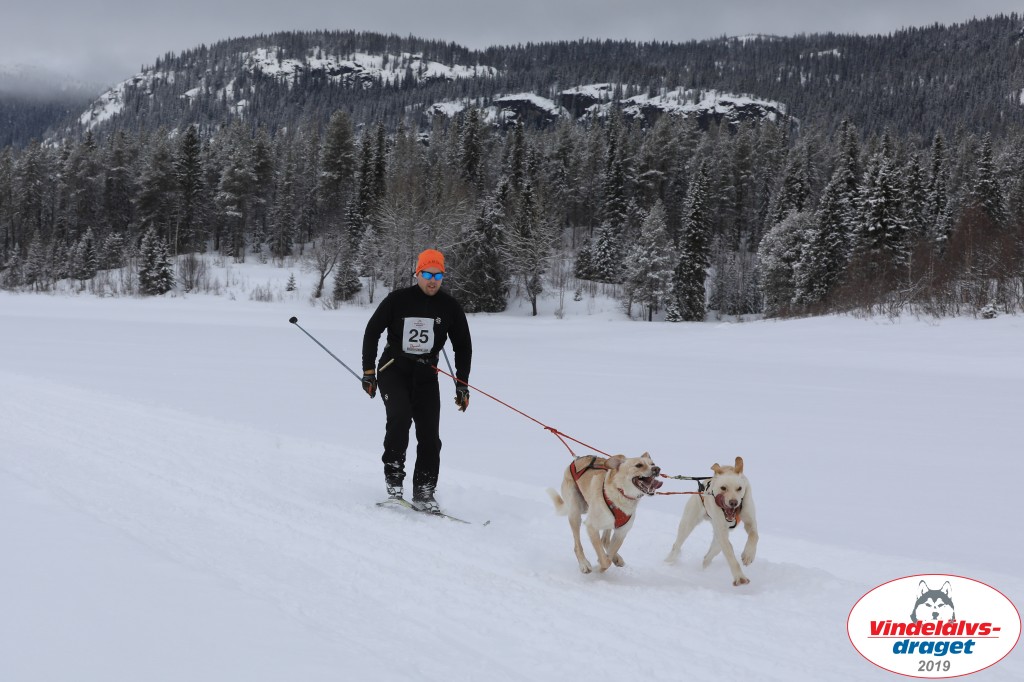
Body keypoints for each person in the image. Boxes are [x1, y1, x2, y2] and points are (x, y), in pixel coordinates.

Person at [361, 248, 472, 513]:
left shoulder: (449, 307)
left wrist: (462, 383)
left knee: (430, 435)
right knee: (400, 417)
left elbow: (463, 346)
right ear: (417, 273)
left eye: (438, 274)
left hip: (426, 376)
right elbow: (372, 331)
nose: (432, 280)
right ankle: (394, 479)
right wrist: (368, 372)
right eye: (427, 274)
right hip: (393, 370)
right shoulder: (397, 300)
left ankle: (424, 490)